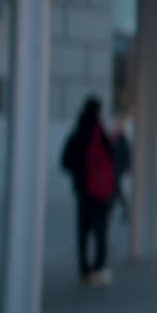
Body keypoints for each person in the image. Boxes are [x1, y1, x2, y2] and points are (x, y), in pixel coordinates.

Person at [60, 96, 118, 287]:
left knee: (83, 232)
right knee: (101, 232)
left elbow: (65, 162)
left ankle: (84, 269)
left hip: (83, 191)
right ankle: (98, 268)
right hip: (101, 193)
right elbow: (112, 161)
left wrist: (79, 173)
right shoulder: (100, 133)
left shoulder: (78, 133)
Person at [108, 110, 132, 223]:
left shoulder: (121, 138)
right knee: (115, 190)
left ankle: (115, 211)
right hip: (113, 168)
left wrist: (127, 167)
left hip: (118, 168)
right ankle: (123, 210)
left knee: (115, 190)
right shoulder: (113, 137)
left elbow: (126, 154)